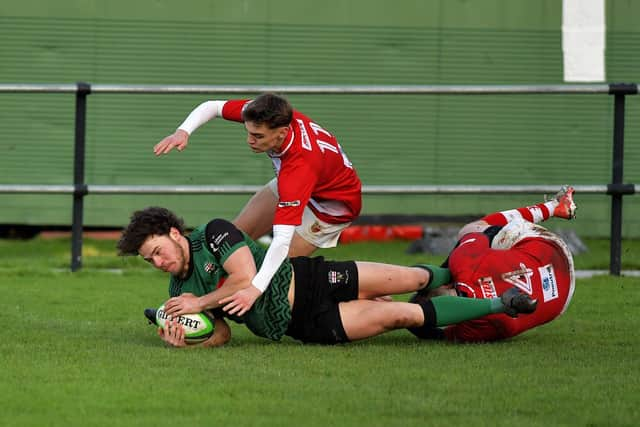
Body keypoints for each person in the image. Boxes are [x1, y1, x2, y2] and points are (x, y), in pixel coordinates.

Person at [116, 207, 536, 347]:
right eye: (149, 261)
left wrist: (197, 305)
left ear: (174, 233)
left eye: (156, 252)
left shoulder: (214, 232)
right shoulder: (178, 291)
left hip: (315, 279)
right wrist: (188, 335)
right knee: (400, 316)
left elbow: (244, 278)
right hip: (307, 326)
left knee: (413, 276)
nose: (158, 263)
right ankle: (506, 303)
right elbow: (222, 335)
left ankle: (474, 258)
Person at [153, 93, 362, 315]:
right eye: (249, 131)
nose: (250, 140)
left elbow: (281, 241)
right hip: (300, 181)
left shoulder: (299, 167)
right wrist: (183, 131)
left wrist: (254, 289)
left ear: (282, 133)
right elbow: (212, 106)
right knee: (231, 239)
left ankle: (373, 295)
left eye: (258, 136)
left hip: (328, 208)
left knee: (276, 274)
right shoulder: (271, 114)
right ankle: (196, 302)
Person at [408, 186, 577, 342]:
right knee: (470, 229)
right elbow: (478, 236)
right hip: (550, 248)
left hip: (562, 298)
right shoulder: (463, 264)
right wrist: (451, 262)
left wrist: (414, 323)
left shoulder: (470, 331)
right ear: (442, 286)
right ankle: (553, 207)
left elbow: (440, 335)